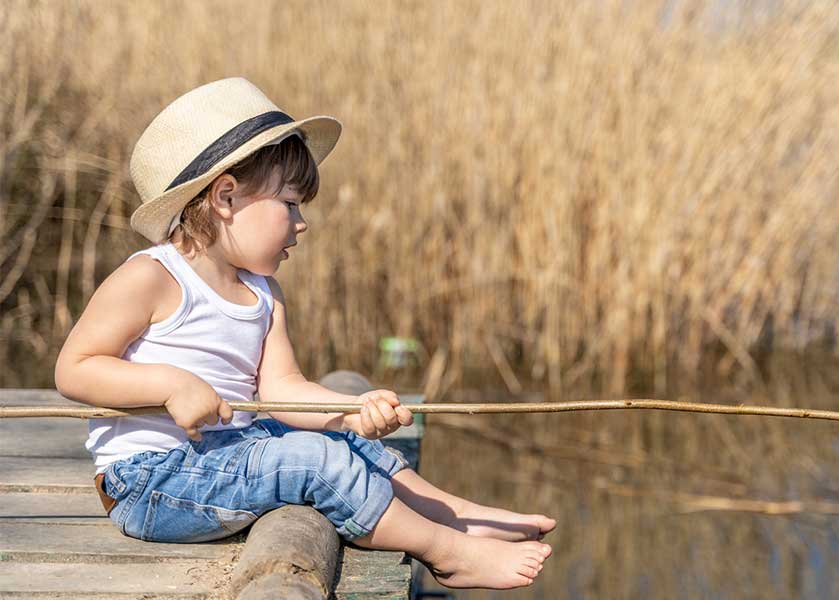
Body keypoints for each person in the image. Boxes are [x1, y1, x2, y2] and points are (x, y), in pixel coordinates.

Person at [53, 77, 555, 589]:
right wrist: (170, 384)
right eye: (290, 204)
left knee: (336, 437)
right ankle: (446, 552)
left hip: (227, 454)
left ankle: (449, 511)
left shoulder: (264, 292)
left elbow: (283, 392)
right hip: (150, 483)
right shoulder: (152, 276)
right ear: (226, 196)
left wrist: (350, 412)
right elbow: (75, 368)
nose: (301, 224)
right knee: (312, 459)